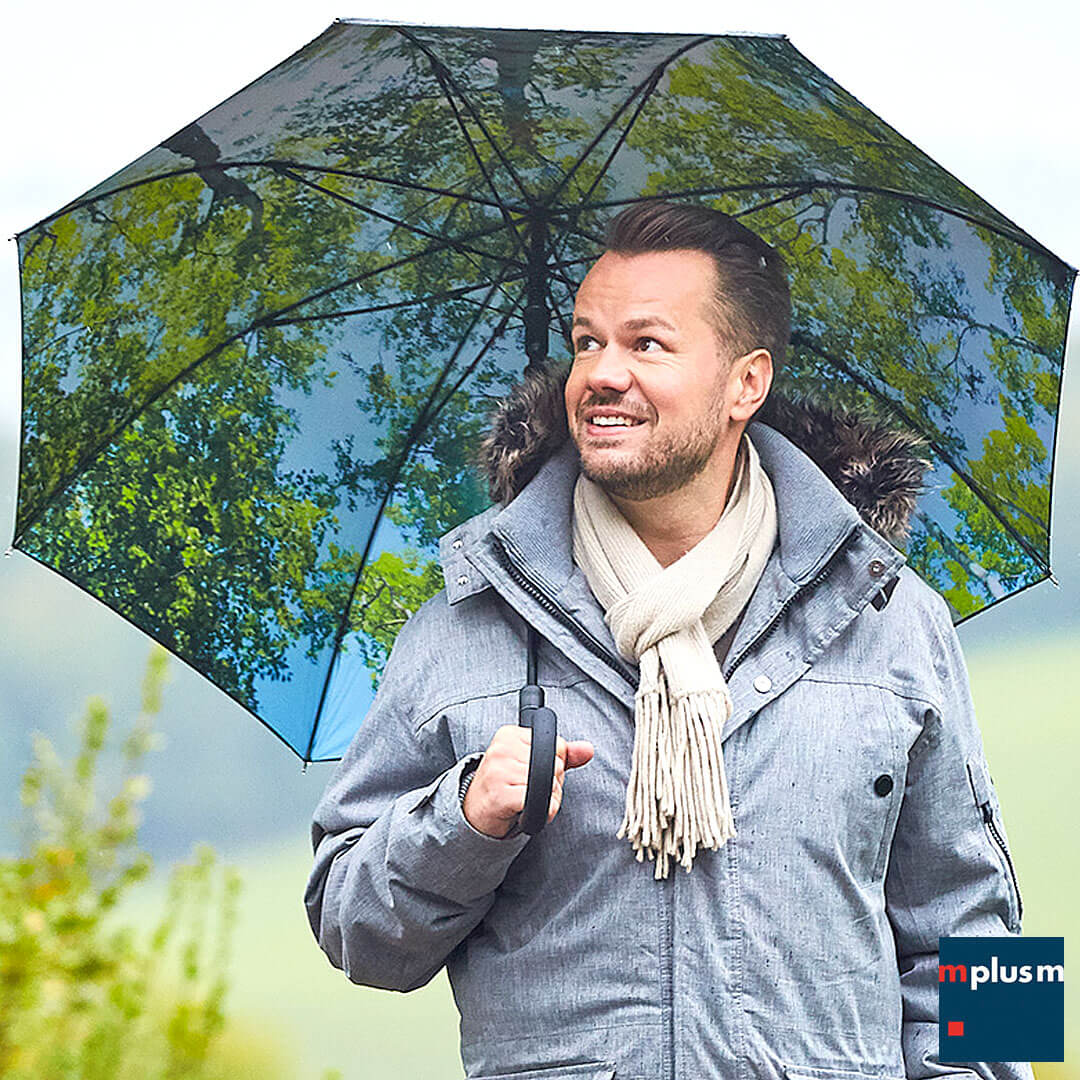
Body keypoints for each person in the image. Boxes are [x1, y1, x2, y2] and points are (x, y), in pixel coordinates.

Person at [304, 200, 1030, 1080]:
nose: (602, 374)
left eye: (646, 344)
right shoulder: (469, 627)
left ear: (745, 383)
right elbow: (355, 932)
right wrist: (465, 819)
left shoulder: (886, 615)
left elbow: (977, 926)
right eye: (585, 342)